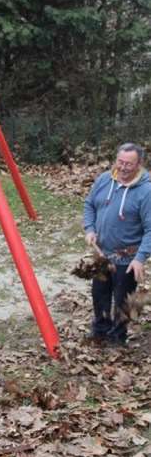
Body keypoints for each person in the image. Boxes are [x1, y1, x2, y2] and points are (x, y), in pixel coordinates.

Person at [83, 142, 151, 345]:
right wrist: (90, 228)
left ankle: (117, 338)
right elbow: (89, 205)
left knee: (123, 301)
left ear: (139, 164)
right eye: (120, 162)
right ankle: (101, 330)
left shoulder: (146, 191)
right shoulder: (105, 179)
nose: (122, 167)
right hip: (102, 253)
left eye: (128, 164)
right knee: (99, 294)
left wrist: (140, 259)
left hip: (127, 258)